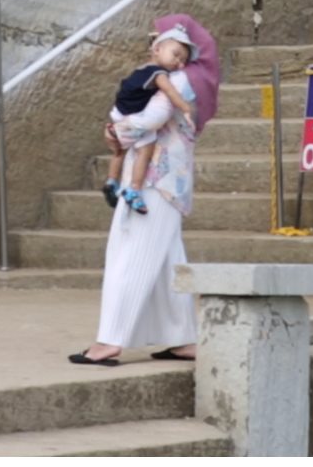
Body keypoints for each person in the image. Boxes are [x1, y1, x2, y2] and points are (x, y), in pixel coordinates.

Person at [72, 21, 210, 366]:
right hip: (170, 182)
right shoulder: (192, 79)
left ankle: (110, 341)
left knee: (129, 253)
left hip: (151, 180)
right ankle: (182, 339)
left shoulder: (176, 80)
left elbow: (152, 119)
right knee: (167, 260)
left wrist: (114, 132)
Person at [103, 32, 196, 215]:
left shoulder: (141, 69)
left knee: (119, 151)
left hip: (119, 113)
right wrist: (186, 108)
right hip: (133, 118)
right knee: (145, 151)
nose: (178, 63)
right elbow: (170, 92)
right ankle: (134, 190)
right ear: (157, 49)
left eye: (182, 61)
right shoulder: (159, 74)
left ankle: (111, 181)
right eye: (176, 55)